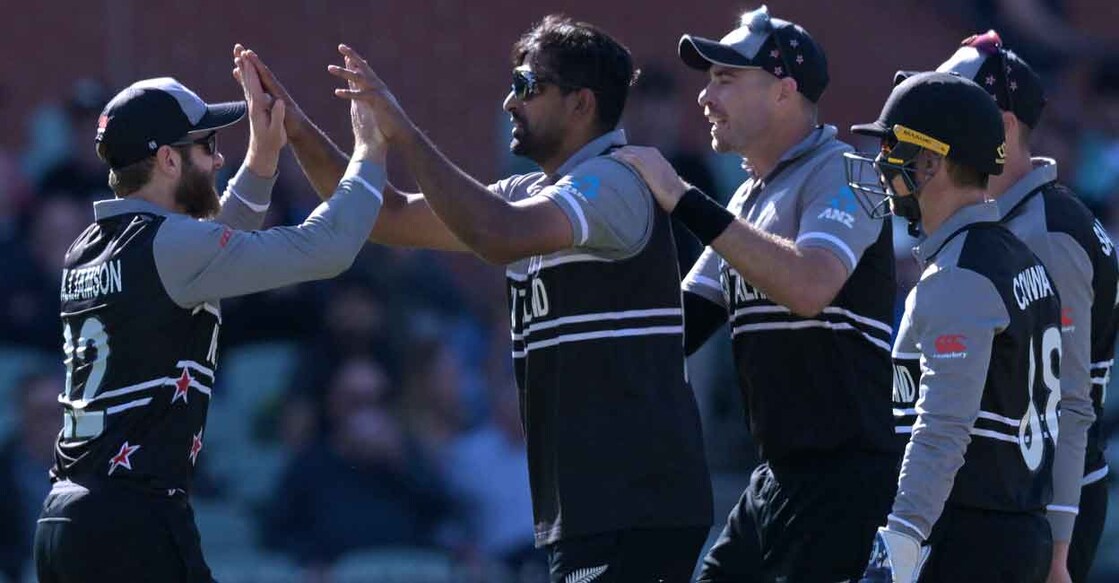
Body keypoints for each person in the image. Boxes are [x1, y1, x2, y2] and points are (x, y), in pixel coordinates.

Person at [243, 15, 714, 582]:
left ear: (580, 104)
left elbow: (498, 234)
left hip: (636, 499)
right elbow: (386, 217)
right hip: (591, 502)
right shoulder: (530, 193)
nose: (509, 102)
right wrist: (294, 128)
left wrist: (405, 132)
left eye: (527, 86)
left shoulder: (614, 179)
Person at [33, 46, 388, 583]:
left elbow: (213, 248)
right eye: (206, 146)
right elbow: (329, 248)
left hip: (66, 519)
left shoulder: (86, 244)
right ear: (168, 160)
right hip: (134, 523)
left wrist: (261, 160)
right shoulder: (172, 246)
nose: (218, 158)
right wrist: (370, 149)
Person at [611, 6, 900, 581]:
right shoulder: (748, 197)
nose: (704, 97)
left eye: (725, 79)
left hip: (845, 481)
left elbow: (811, 285)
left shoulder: (849, 172)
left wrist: (681, 196)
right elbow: (681, 326)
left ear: (783, 92)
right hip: (775, 478)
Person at [895, 30, 1116, 582]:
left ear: (1005, 126)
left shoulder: (1043, 233)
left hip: (1042, 504)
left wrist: (1058, 552)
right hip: (1019, 498)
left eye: (957, 98)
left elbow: (1070, 405)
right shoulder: (1011, 221)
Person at [847, 71, 1061, 583]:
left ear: (930, 160)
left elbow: (942, 428)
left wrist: (901, 537)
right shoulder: (1019, 258)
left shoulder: (959, 275)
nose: (880, 164)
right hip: (1016, 529)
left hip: (971, 537)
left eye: (892, 147)